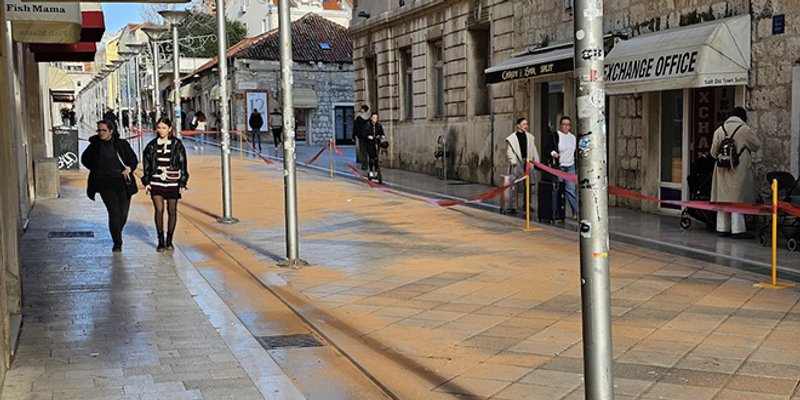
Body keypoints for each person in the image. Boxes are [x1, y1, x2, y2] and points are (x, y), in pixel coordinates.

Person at [81, 120, 138, 252]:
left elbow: (132, 158)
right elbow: (85, 159)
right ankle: (117, 242)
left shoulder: (121, 144)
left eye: (104, 130)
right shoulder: (95, 146)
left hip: (123, 183)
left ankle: (117, 231)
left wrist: (129, 168)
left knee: (123, 213)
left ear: (111, 131)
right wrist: (96, 169)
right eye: (99, 130)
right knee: (114, 212)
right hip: (105, 184)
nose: (101, 133)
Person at [710, 107, 761, 239]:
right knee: (737, 197)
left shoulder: (720, 130)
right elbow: (756, 146)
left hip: (721, 168)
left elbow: (713, 152)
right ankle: (737, 229)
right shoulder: (744, 130)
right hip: (739, 168)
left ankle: (722, 227)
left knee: (723, 198)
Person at [141, 118, 189, 252]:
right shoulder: (151, 146)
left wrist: (182, 182)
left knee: (172, 211)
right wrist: (147, 182)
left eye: (164, 128)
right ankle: (160, 240)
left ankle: (170, 240)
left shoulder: (177, 144)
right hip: (156, 181)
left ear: (169, 129)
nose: (161, 130)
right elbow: (147, 165)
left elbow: (183, 163)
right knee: (159, 210)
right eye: (159, 128)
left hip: (173, 182)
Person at [544, 116, 578, 218]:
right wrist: (553, 153)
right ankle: (558, 212)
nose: (566, 127)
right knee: (558, 190)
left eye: (568, 125)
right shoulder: (555, 136)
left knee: (570, 189)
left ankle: (576, 211)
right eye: (564, 124)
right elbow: (547, 149)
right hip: (559, 167)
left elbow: (575, 152)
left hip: (570, 166)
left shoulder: (573, 138)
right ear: (560, 125)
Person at [505, 118, 540, 211]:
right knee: (515, 184)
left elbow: (534, 150)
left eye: (526, 124)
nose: (526, 126)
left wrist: (537, 162)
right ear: (518, 125)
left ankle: (527, 203)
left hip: (528, 162)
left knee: (528, 184)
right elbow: (509, 151)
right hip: (517, 162)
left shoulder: (530, 137)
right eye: (524, 124)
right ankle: (512, 204)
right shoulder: (512, 138)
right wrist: (513, 161)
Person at [363, 113, 385, 177]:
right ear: (371, 118)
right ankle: (370, 171)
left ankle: (376, 171)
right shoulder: (367, 125)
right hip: (369, 143)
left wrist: (382, 136)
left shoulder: (378, 125)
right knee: (371, 158)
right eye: (374, 118)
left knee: (376, 158)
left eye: (376, 118)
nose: (375, 119)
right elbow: (363, 134)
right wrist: (368, 136)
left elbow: (382, 132)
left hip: (376, 142)